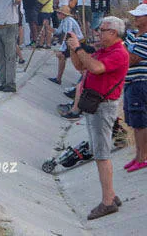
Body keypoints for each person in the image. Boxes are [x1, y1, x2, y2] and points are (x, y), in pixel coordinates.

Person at [66, 16, 128, 220]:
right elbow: (82, 66)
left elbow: (95, 68)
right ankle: (111, 194)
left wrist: (78, 48)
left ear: (113, 33)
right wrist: (74, 49)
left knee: (102, 153)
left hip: (104, 107)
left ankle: (107, 202)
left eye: (102, 30)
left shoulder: (118, 53)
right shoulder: (104, 50)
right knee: (97, 150)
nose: (98, 33)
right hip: (96, 106)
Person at [124, 4, 147, 173]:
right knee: (134, 121)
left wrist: (122, 54)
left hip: (141, 81)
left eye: (139, 16)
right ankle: (138, 155)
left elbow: (133, 58)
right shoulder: (133, 35)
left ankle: (143, 157)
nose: (136, 18)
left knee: (141, 121)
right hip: (130, 82)